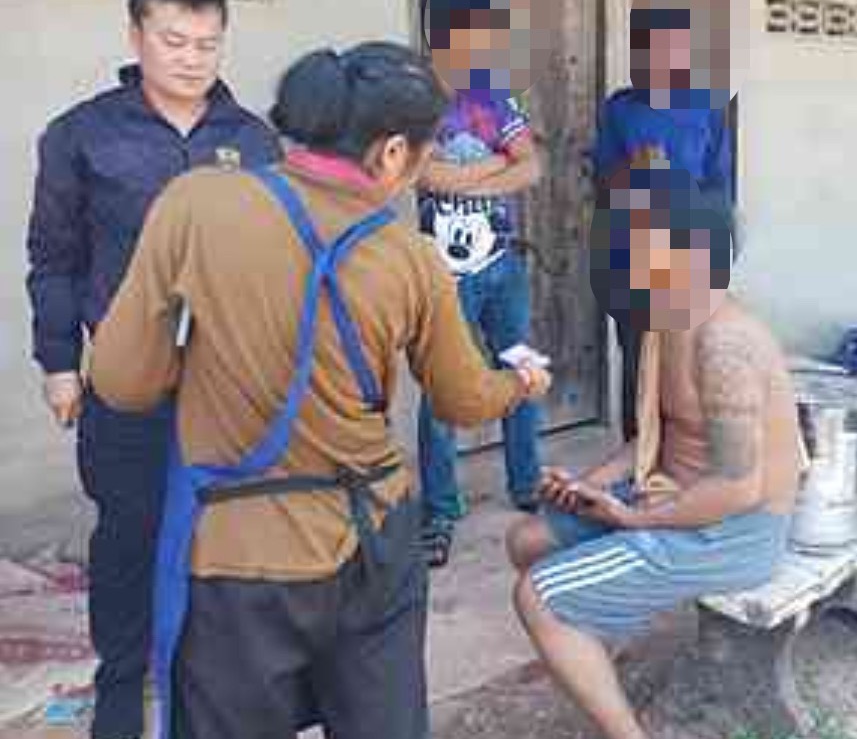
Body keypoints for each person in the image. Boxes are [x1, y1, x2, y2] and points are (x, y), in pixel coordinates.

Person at [88, 41, 553, 739]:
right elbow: (463, 400)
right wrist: (520, 381)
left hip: (234, 557)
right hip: (370, 545)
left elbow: (123, 383)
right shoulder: (409, 258)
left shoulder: (197, 203)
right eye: (424, 155)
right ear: (391, 153)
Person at [24, 0, 280, 739]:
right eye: (174, 40)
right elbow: (53, 259)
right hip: (127, 378)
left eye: (207, 43)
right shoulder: (82, 135)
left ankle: (208, 681)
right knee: (129, 534)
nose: (192, 58)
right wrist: (59, 363)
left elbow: (274, 262)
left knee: (223, 531)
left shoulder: (252, 140)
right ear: (136, 36)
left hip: (226, 382)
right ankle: (122, 686)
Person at [507, 166, 799, 739]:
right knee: (528, 539)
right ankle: (587, 646)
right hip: (670, 494)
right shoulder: (666, 321)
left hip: (733, 532)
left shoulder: (726, 343)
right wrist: (589, 485)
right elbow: (656, 438)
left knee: (537, 595)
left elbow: (738, 487)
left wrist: (634, 518)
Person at [417, 0, 546, 568]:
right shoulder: (416, 98)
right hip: (441, 274)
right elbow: (423, 175)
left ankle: (528, 483)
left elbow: (531, 168)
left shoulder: (493, 95)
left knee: (521, 368)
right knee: (441, 390)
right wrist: (494, 166)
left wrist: (464, 176)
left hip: (502, 264)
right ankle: (440, 510)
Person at [594, 5, 735, 444]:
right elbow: (603, 183)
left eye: (670, 50)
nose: (659, 61)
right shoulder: (621, 109)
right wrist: (633, 168)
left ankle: (680, 458)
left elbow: (721, 188)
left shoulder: (708, 107)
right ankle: (636, 459)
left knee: (687, 366)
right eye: (649, 51)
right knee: (638, 365)